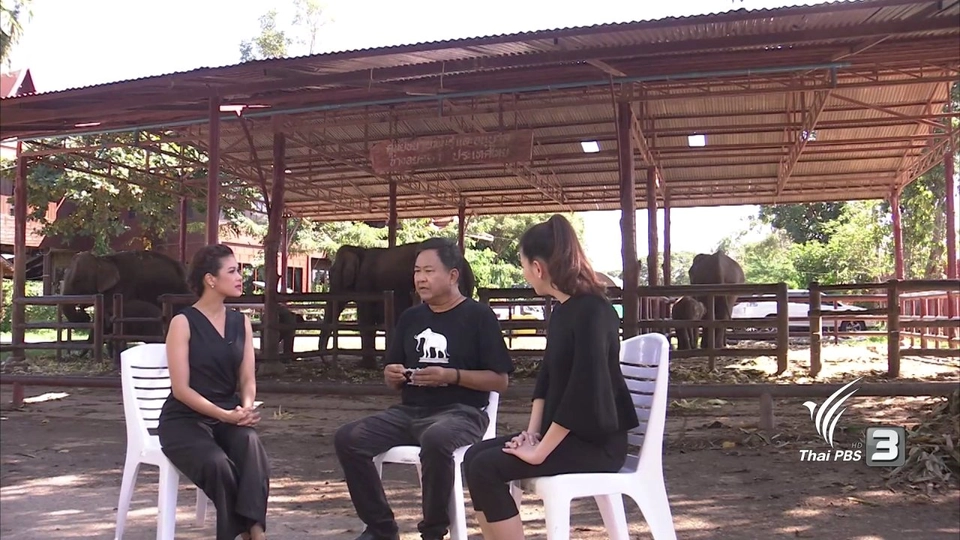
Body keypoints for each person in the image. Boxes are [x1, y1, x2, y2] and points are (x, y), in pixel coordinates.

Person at [462, 214, 640, 540]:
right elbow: (547, 377)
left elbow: (582, 391)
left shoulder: (593, 312)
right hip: (564, 437)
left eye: (524, 265)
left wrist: (541, 450)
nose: (524, 273)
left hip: (596, 445)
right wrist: (532, 435)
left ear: (539, 268)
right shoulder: (563, 310)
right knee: (474, 456)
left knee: (486, 468)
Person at [334, 237, 514, 540]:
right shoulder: (411, 318)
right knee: (348, 438)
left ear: (453, 276)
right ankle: (380, 528)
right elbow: (392, 375)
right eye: (417, 271)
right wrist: (392, 375)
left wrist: (452, 376)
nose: (420, 278)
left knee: (436, 440)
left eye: (429, 271)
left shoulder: (479, 317)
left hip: (463, 413)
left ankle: (433, 531)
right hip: (409, 412)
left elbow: (500, 380)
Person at [157, 244, 270, 540]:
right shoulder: (183, 323)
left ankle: (255, 531)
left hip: (229, 414)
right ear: (210, 279)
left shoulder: (240, 322)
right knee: (218, 464)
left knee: (251, 445)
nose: (239, 277)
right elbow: (181, 390)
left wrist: (245, 409)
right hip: (185, 420)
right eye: (232, 271)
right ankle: (248, 533)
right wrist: (225, 415)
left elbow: (247, 378)